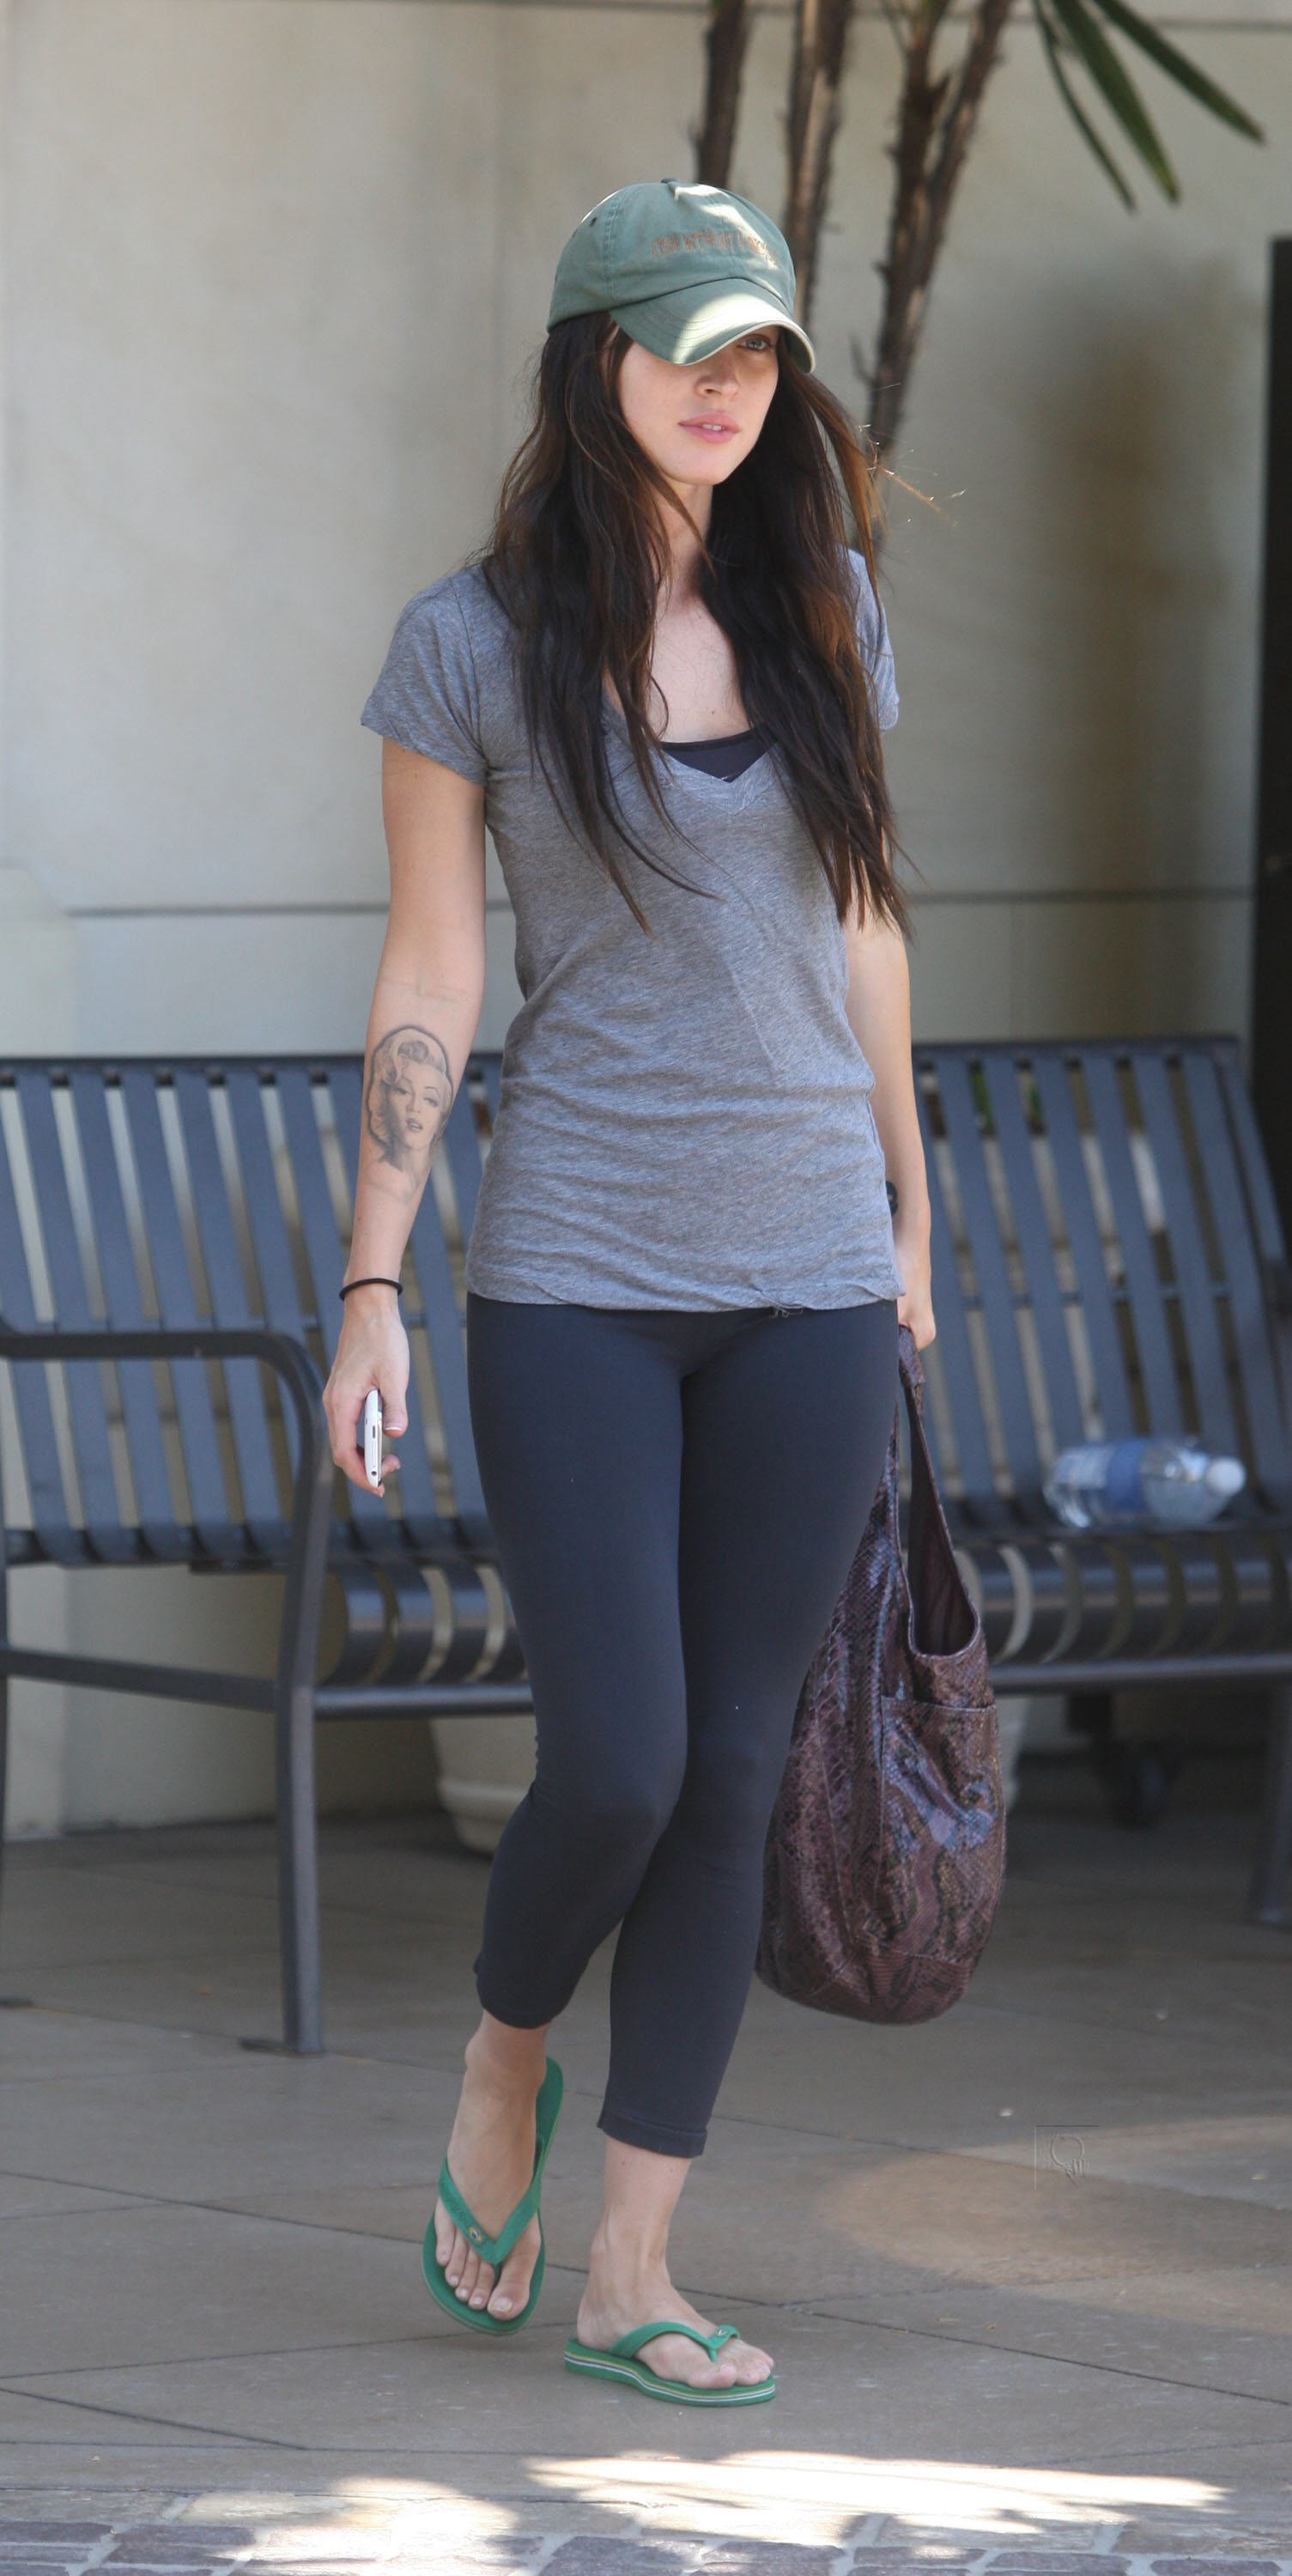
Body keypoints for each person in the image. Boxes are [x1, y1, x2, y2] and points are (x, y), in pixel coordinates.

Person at [325, 176, 936, 2407]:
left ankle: (635, 2268)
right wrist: (374, 1276)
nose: (729, 385)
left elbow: (864, 913)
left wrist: (911, 1207)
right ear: (597, 362)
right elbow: (430, 969)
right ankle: (506, 2056)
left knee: (735, 1768)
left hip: (807, 1274)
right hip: (576, 1269)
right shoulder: (469, 646)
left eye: (758, 350)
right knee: (619, 1758)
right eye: (691, 345)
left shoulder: (825, 605)